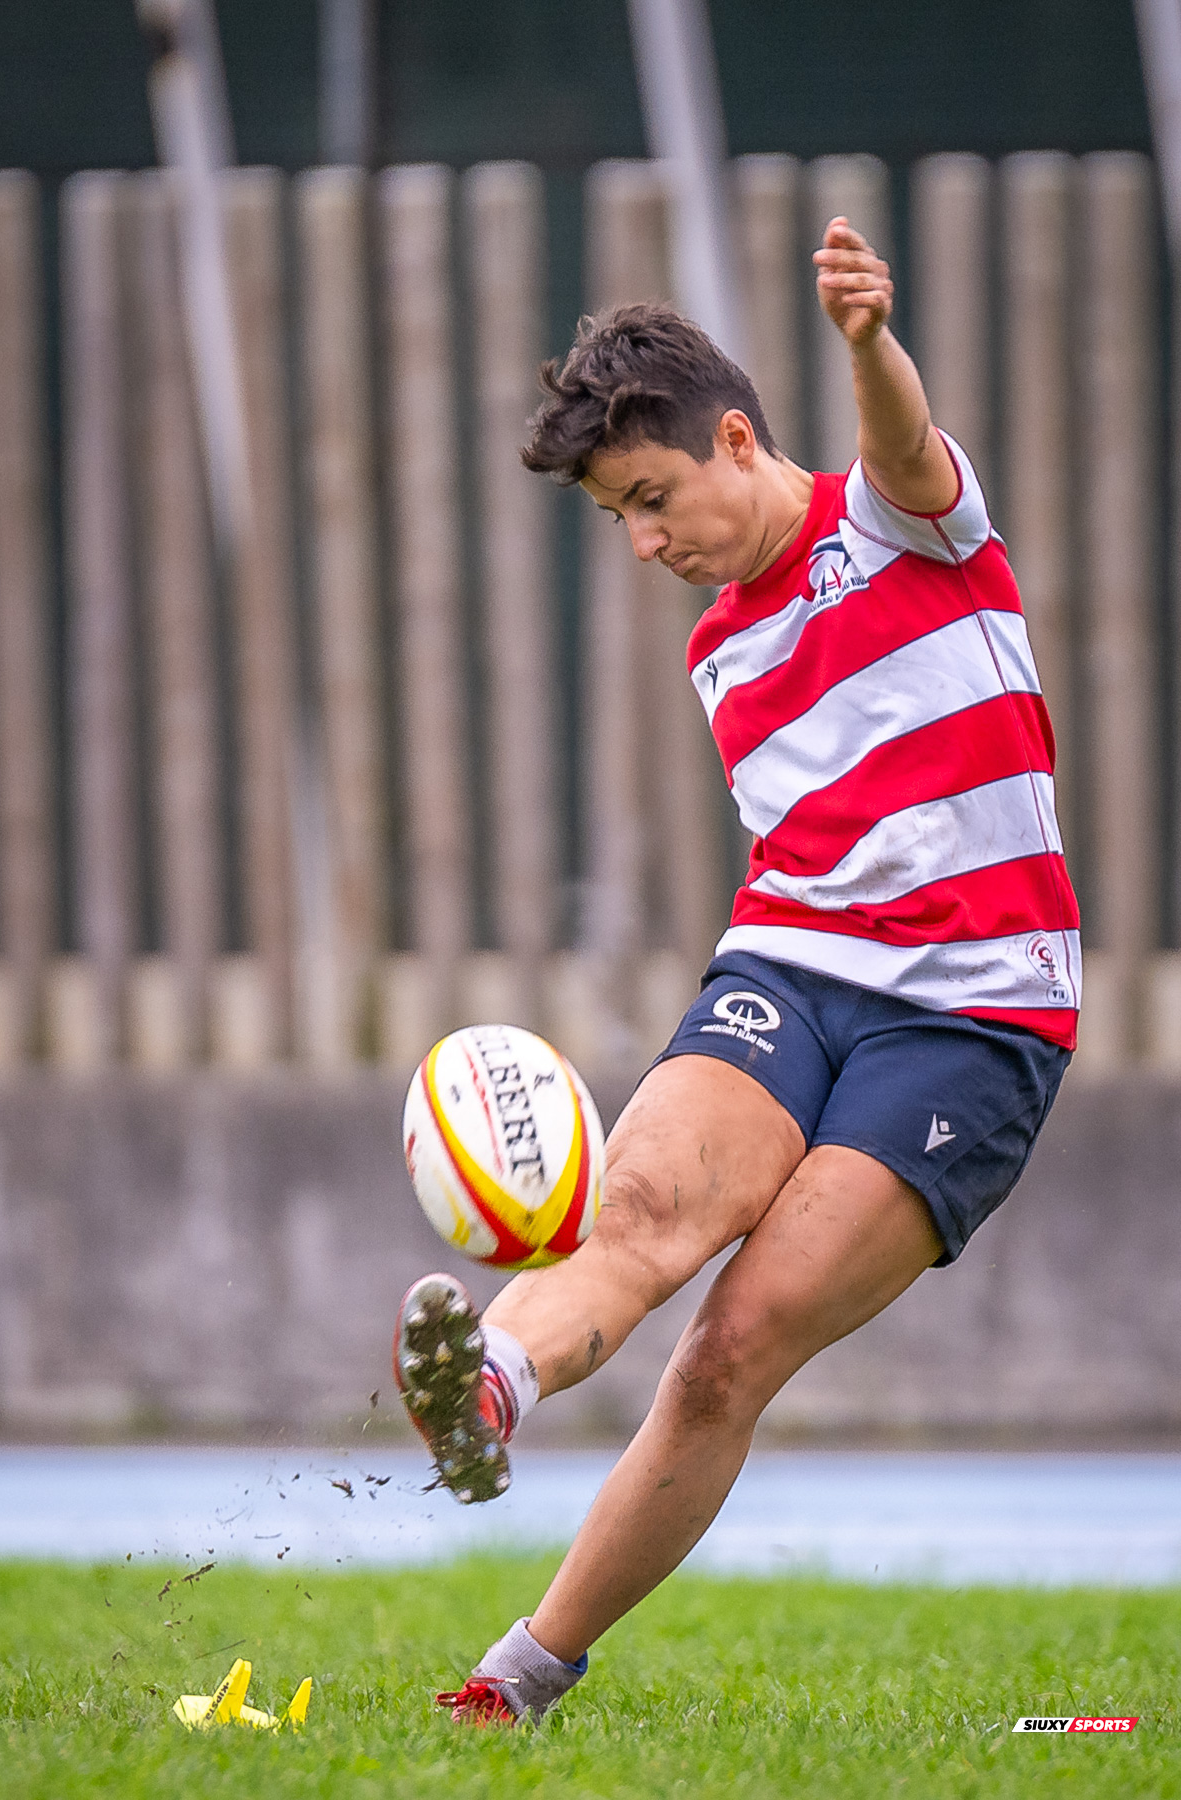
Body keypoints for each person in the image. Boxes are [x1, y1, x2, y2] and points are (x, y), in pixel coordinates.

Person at [393, 217, 1079, 1725]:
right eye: (616, 520)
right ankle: (489, 1380)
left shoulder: (902, 530)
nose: (643, 544)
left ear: (735, 439)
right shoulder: (722, 647)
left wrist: (869, 344)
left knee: (728, 1350)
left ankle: (524, 1674)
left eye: (651, 499)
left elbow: (902, 443)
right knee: (638, 1217)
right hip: (792, 965)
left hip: (973, 1011)